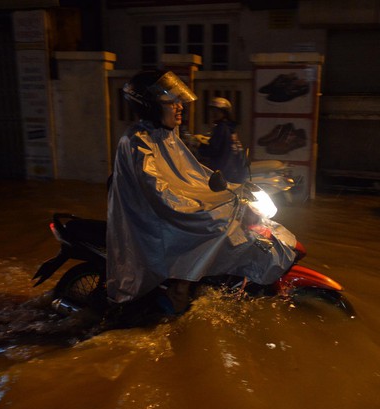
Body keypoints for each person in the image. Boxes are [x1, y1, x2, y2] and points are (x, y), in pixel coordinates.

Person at [106, 71, 297, 314]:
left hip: (165, 211)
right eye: (171, 102)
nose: (179, 107)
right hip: (149, 221)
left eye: (178, 101)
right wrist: (209, 207)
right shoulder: (137, 142)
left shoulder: (167, 135)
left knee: (228, 219)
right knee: (215, 226)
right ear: (150, 106)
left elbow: (195, 174)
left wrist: (234, 190)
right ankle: (180, 290)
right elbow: (161, 194)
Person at [197, 97, 248, 183]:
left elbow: (213, 150)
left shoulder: (221, 128)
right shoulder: (231, 128)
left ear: (225, 113)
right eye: (213, 111)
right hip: (234, 171)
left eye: (217, 111)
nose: (214, 114)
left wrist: (199, 146)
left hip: (224, 173)